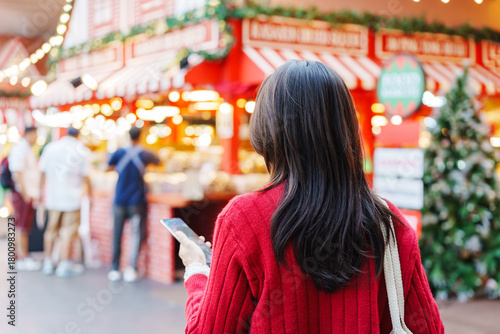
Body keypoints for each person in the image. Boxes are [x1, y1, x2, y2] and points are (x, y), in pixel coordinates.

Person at [176, 61, 444, 333]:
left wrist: (196, 272)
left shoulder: (243, 219)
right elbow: (430, 328)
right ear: (346, 129)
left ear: (267, 130)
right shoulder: (388, 223)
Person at [107, 126, 160, 282]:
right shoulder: (145, 153)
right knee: (136, 234)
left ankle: (115, 268)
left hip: (119, 199)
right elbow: (158, 162)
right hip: (137, 200)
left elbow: (108, 166)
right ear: (140, 136)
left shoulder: (119, 152)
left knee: (117, 234)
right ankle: (132, 268)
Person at [39, 127, 92, 277]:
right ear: (78, 135)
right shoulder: (81, 150)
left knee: (51, 230)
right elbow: (86, 176)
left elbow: (42, 171)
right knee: (68, 231)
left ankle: (48, 262)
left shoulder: (51, 148)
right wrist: (90, 194)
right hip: (72, 198)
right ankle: (64, 264)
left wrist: (40, 193)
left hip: (53, 196)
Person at [8, 126, 41, 271]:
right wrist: (24, 193)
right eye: (34, 135)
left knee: (21, 225)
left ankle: (17, 255)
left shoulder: (26, 149)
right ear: (29, 134)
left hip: (26, 193)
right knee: (22, 226)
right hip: (23, 194)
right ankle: (23, 256)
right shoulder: (21, 149)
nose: (36, 138)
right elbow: (17, 172)